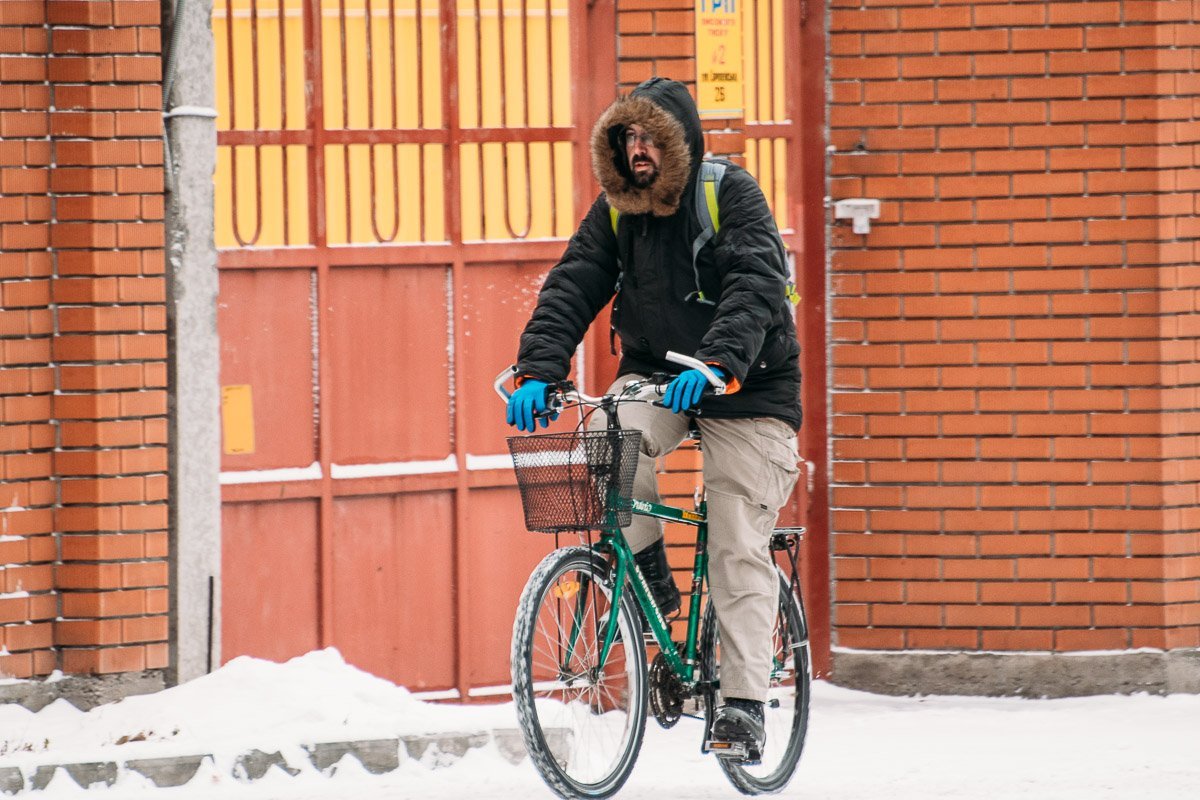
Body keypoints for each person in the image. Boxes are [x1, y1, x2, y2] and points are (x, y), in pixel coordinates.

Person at [504, 77, 801, 758]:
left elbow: (757, 283)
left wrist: (716, 364)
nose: (638, 151)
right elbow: (574, 281)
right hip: (660, 375)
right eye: (627, 139)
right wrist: (538, 369)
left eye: (650, 138)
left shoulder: (728, 194)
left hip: (748, 384)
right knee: (611, 436)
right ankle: (654, 581)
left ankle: (745, 707)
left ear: (680, 144)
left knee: (733, 536)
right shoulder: (617, 210)